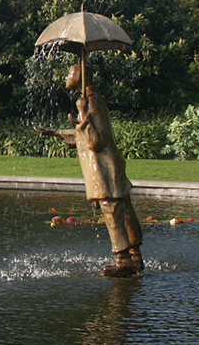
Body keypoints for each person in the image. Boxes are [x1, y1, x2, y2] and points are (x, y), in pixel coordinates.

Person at [35, 63, 144, 277]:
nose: (66, 76)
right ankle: (136, 256)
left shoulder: (90, 102)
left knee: (112, 211)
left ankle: (124, 261)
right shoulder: (92, 99)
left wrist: (83, 116)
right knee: (124, 210)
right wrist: (55, 132)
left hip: (104, 168)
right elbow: (84, 136)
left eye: (70, 73)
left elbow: (96, 141)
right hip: (109, 165)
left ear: (81, 76)